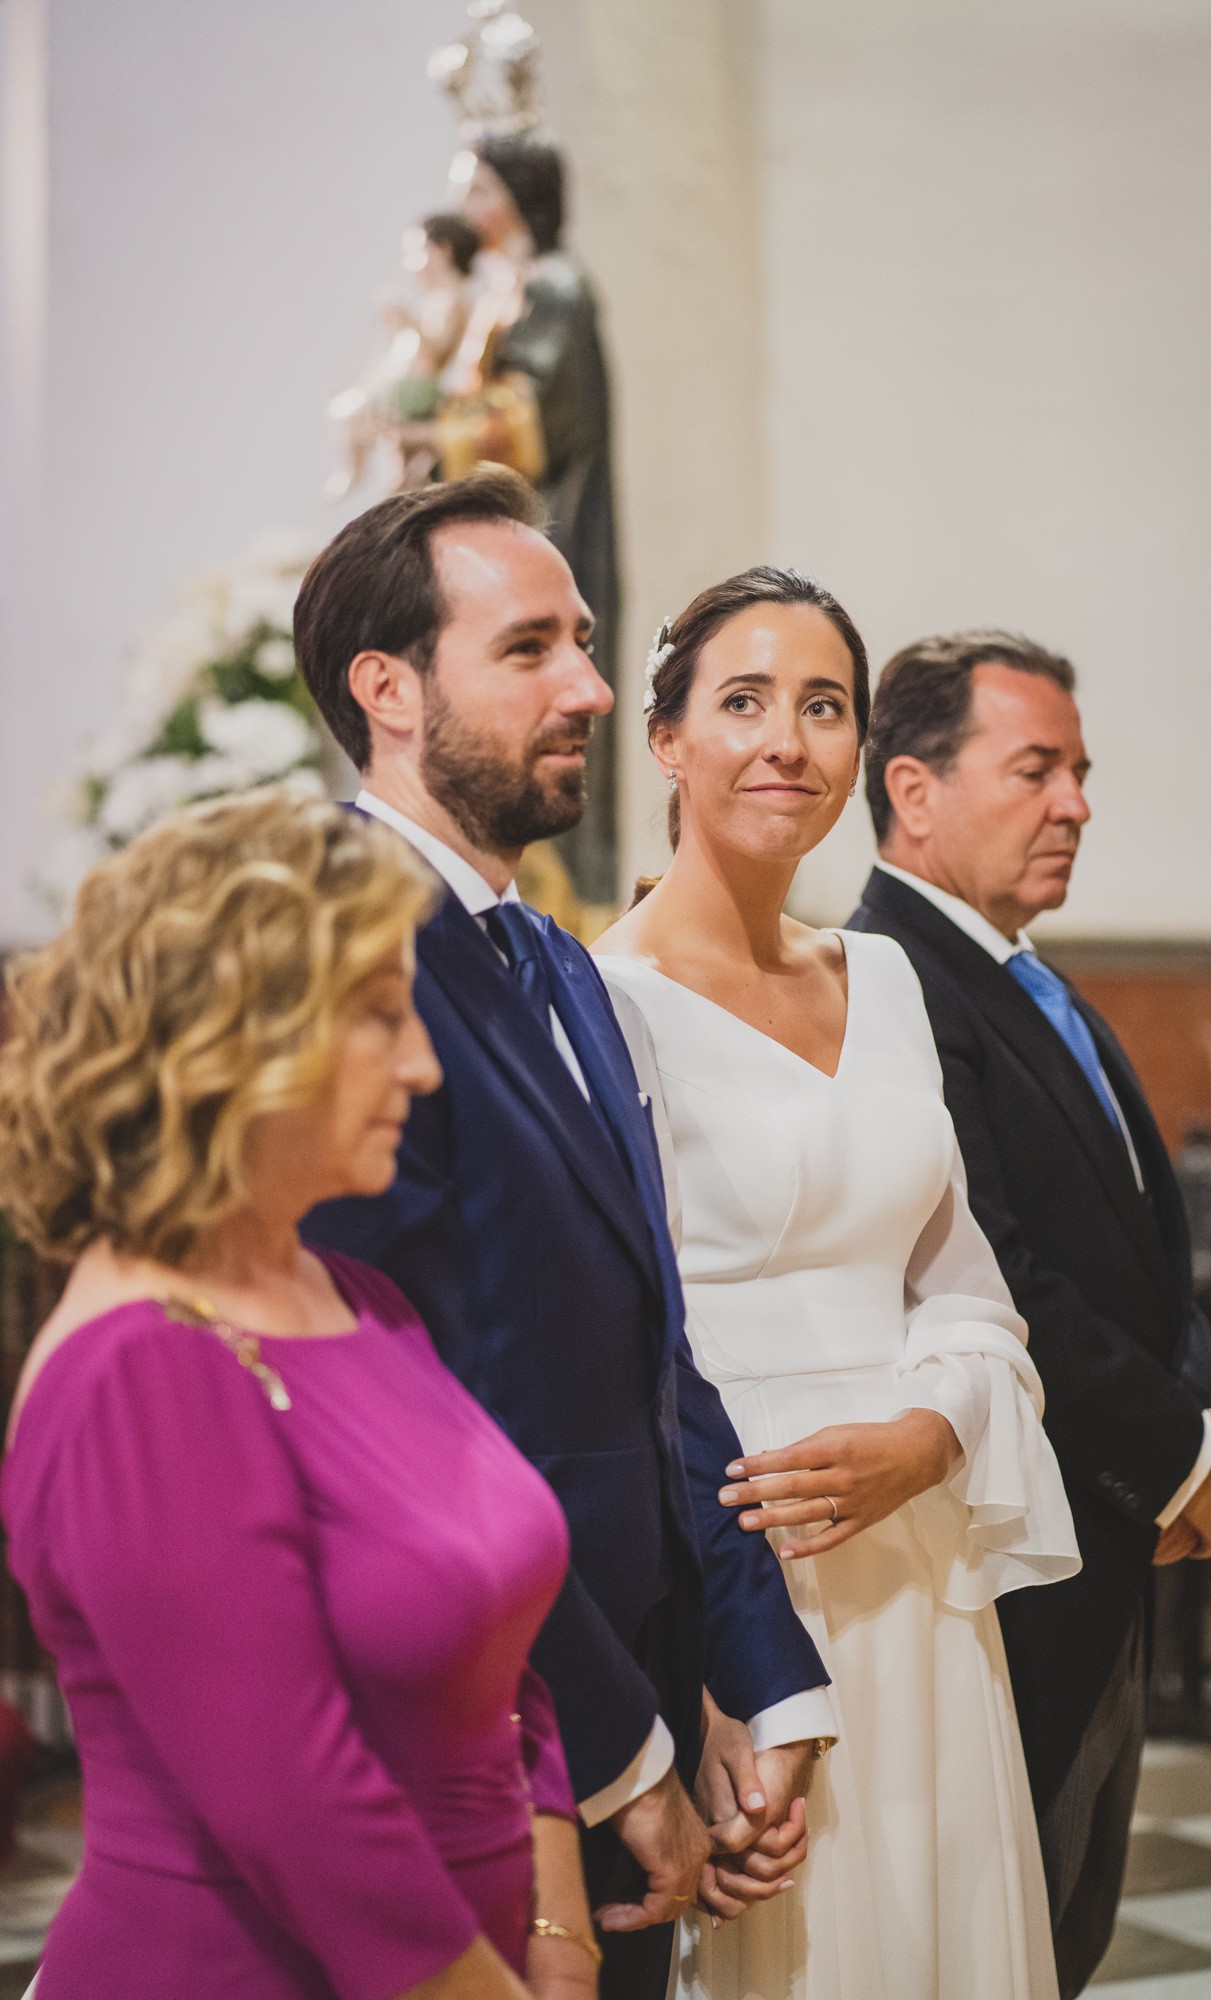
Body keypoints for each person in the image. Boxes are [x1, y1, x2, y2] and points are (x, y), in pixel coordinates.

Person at [293, 471, 837, 2000]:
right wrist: (614, 1748)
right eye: (530, 648)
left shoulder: (554, 961)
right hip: (479, 1733)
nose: (593, 688)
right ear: (388, 690)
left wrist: (759, 1676)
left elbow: (656, 1351)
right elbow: (402, 1422)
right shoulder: (336, 957)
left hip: (631, 1674)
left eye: (585, 642)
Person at [0, 788, 597, 2000]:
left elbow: (500, 1654)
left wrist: (561, 1926)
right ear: (233, 1036)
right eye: (380, 1017)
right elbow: (295, 1796)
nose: (424, 1064)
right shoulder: (140, 1365)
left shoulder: (360, 1296)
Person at [593, 570, 1080, 2000]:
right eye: (741, 702)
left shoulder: (888, 979)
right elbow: (618, 1351)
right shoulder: (601, 1001)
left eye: (822, 708)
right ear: (666, 739)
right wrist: (693, 1667)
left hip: (924, 1567)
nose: (786, 743)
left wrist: (935, 1435)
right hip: (751, 1569)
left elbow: (966, 1283)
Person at [846, 631, 1211, 1997]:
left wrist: (1193, 1422)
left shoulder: (1020, 973)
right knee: (1009, 1934)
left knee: (1064, 1933)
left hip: (1107, 1522)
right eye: (1036, 769)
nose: (1077, 802)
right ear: (913, 789)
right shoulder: (892, 982)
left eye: (1078, 771)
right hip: (1021, 1561)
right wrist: (1183, 1454)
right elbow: (998, 1272)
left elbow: (1142, 1246)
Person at [452, 132, 621, 907]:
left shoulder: (555, 287)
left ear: (521, 198)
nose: (468, 209)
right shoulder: (507, 287)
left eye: (482, 190)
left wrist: (434, 431)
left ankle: (560, 901)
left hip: (556, 527)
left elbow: (528, 417)